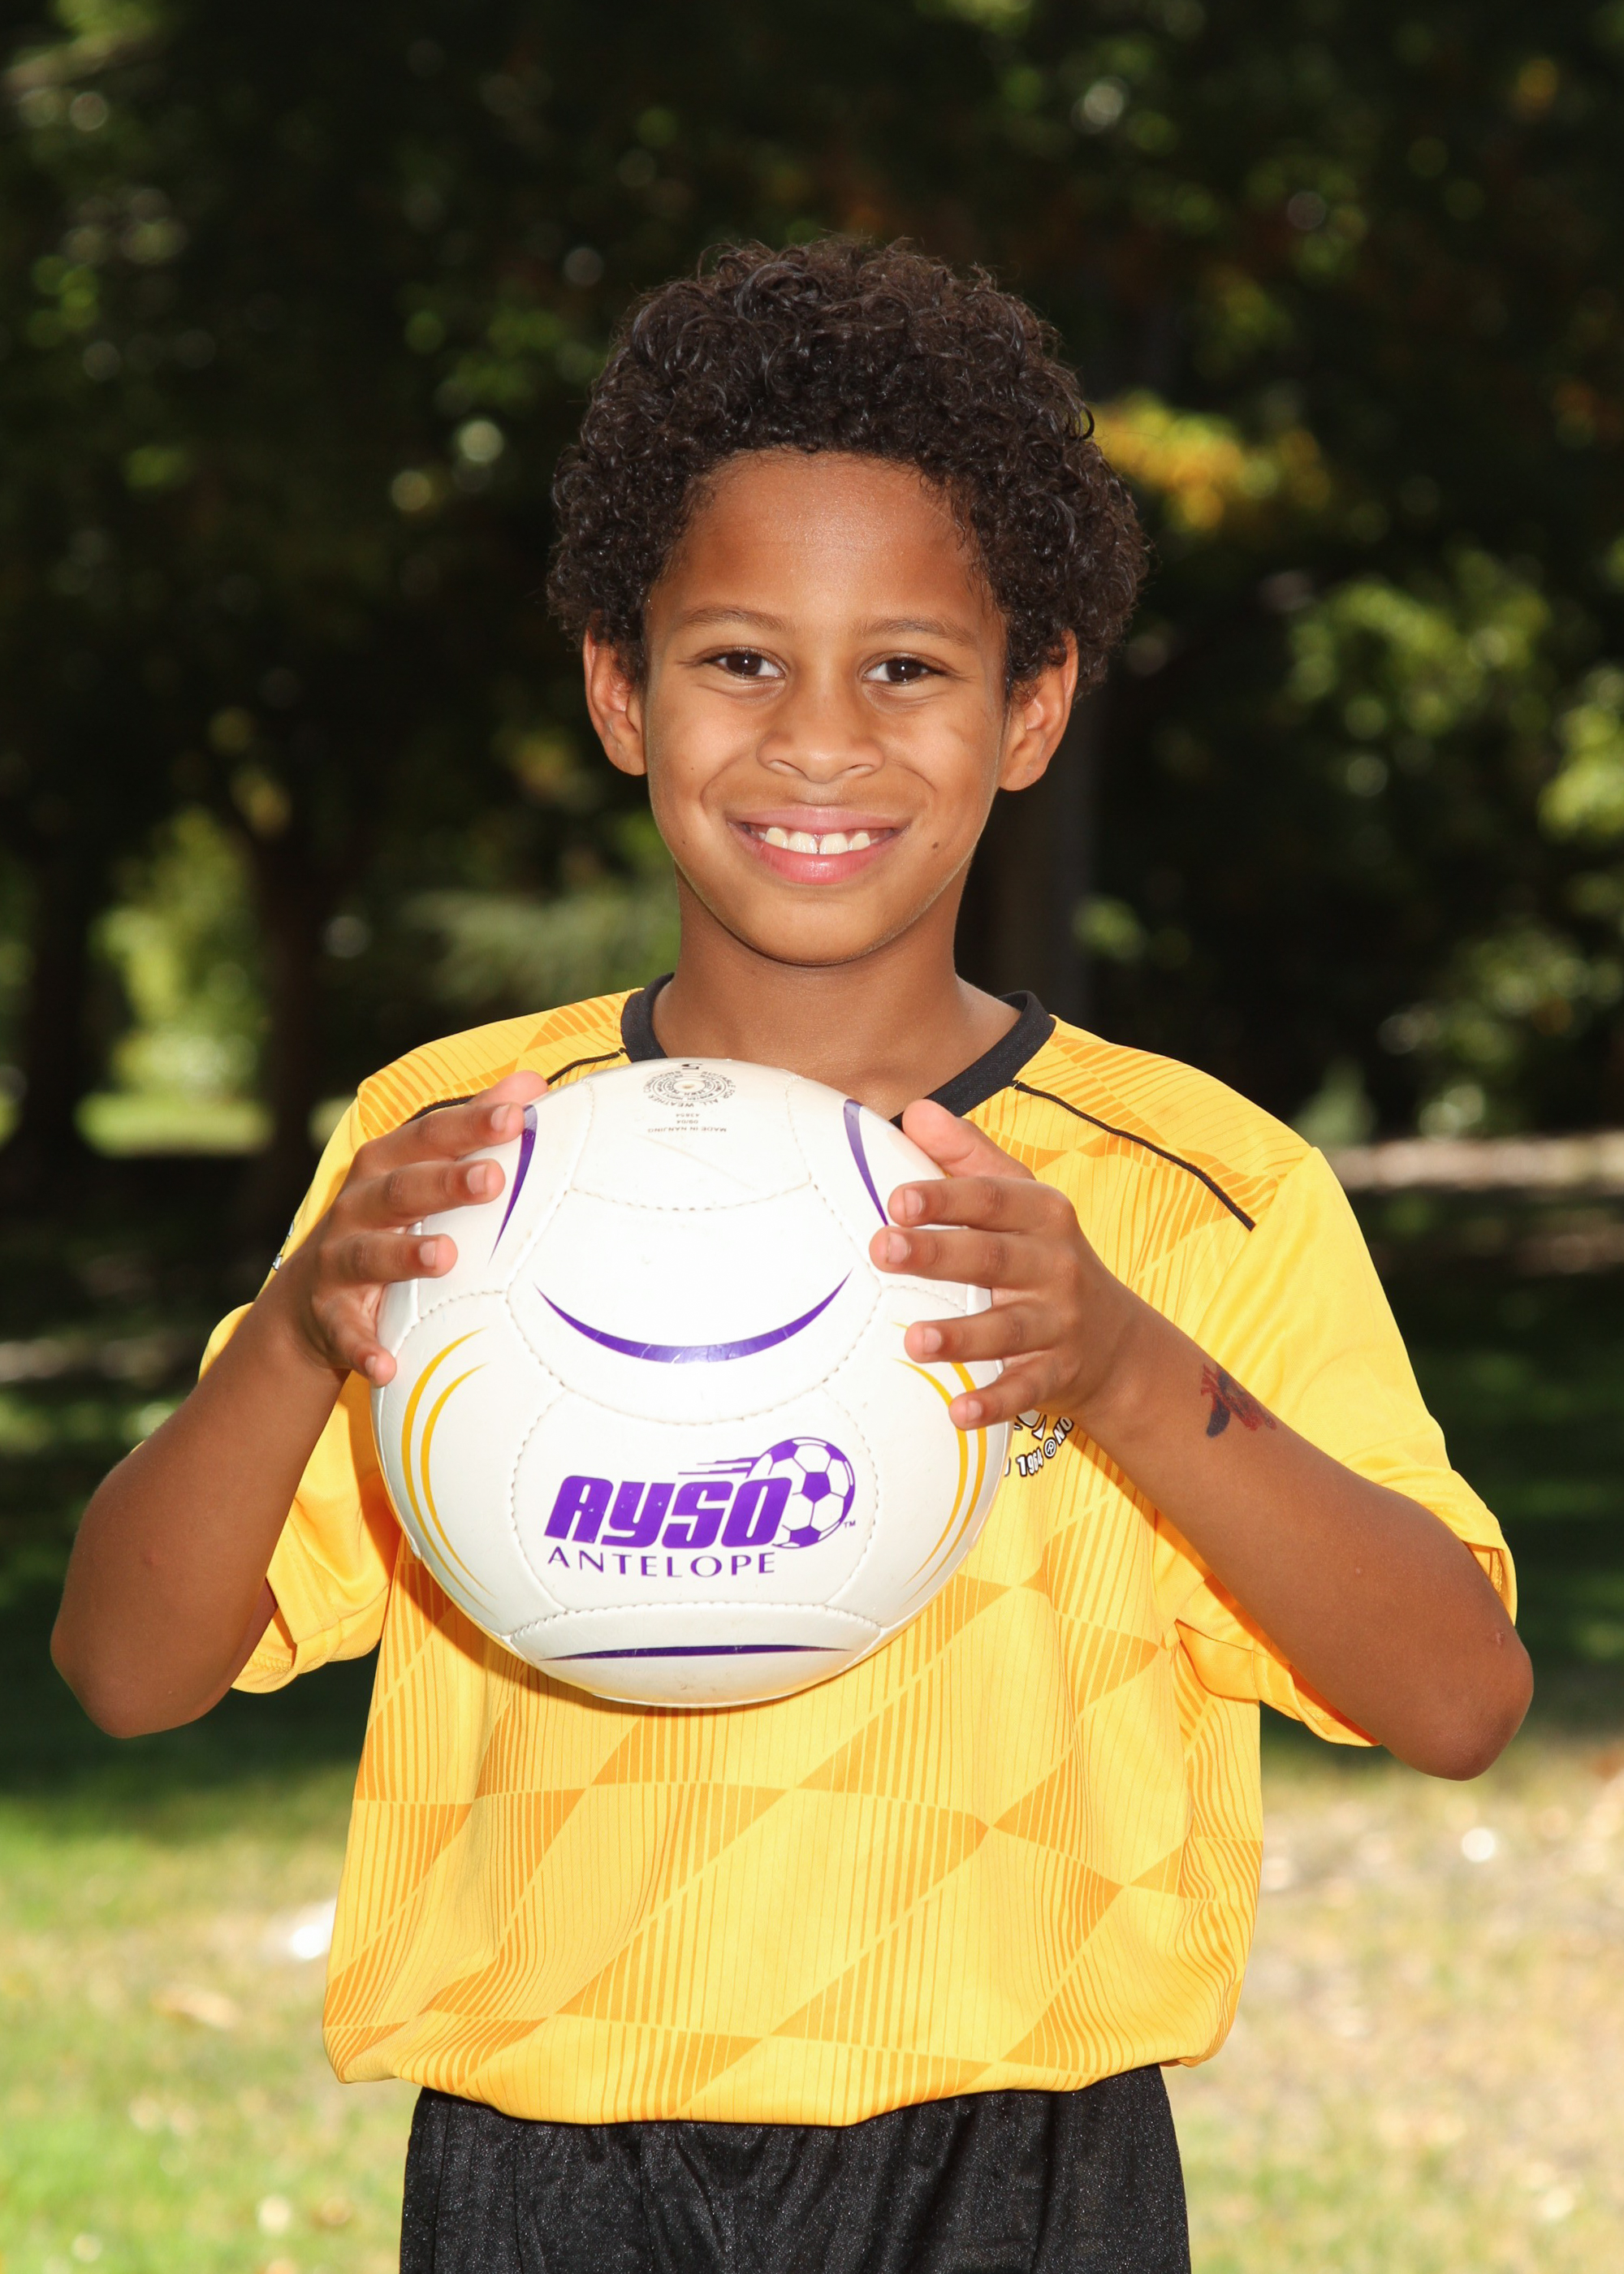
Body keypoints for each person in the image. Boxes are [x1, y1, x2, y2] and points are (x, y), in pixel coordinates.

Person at [53, 240, 1531, 2273]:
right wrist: (302, 1334)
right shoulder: (457, 1150)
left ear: (1030, 706)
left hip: (1013, 2174)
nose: (818, 740)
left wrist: (1124, 1370)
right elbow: (125, 1667)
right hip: (543, 2167)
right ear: (618, 688)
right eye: (741, 659)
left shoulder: (1193, 1188)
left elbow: (1455, 1693)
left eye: (904, 667)